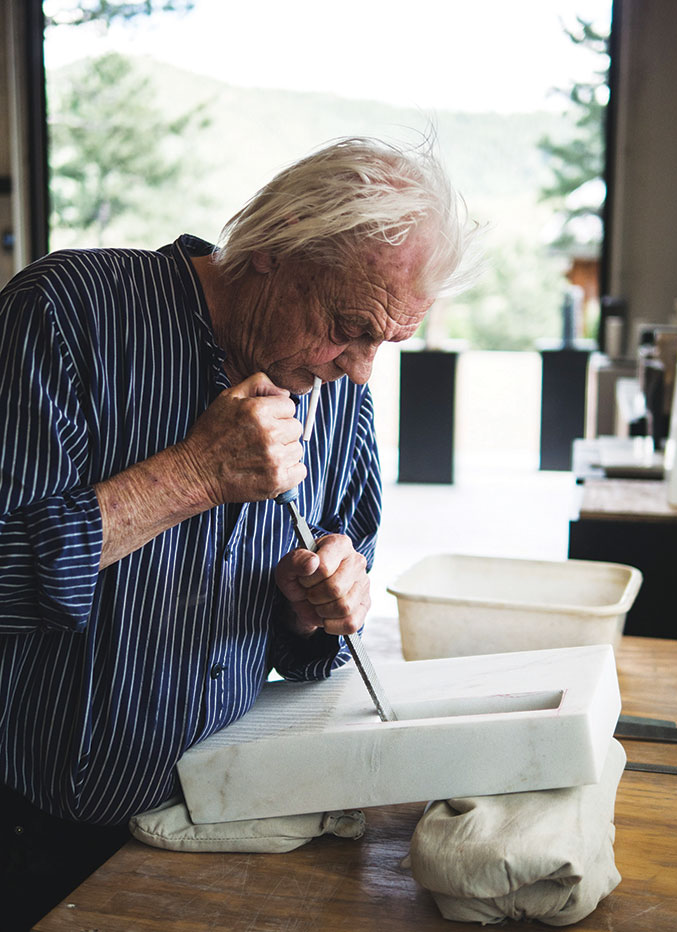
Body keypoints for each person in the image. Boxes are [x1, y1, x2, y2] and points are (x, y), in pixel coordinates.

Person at [0, 136, 474, 927]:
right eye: (347, 326)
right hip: (42, 834)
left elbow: (312, 644)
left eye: (383, 342)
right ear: (277, 245)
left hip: (228, 822)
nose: (359, 370)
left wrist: (318, 602)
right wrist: (190, 476)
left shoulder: (334, 385)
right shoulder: (68, 310)